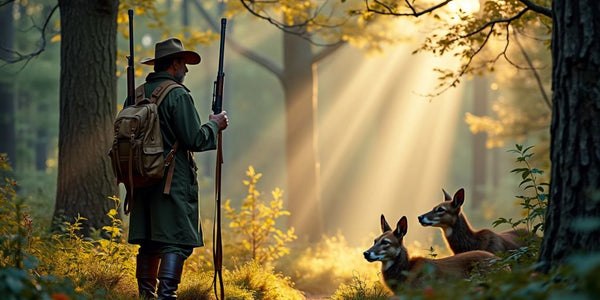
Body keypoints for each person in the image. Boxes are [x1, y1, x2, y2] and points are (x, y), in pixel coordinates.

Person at [127, 37, 229, 299]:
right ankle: (166, 296)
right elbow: (195, 139)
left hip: (140, 178)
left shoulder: (136, 94)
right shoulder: (177, 94)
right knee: (177, 241)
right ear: (173, 64)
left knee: (149, 243)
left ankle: (148, 296)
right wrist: (214, 125)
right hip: (171, 180)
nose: (186, 69)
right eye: (183, 63)